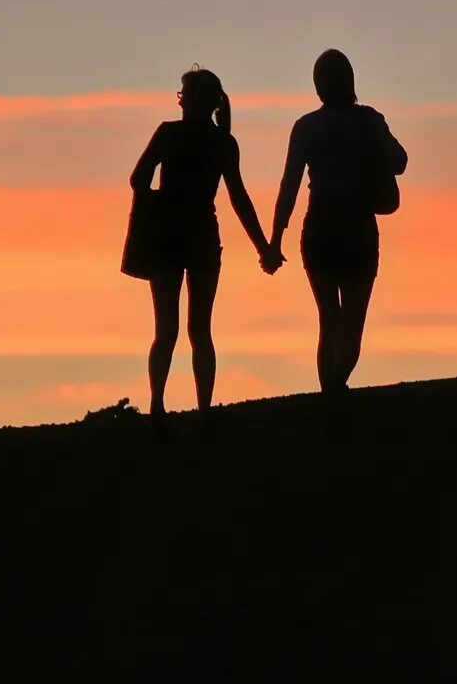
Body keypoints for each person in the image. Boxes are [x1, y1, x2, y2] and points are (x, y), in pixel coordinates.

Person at [127, 68, 276, 420]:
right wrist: (263, 247)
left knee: (166, 330)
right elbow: (238, 197)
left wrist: (153, 204)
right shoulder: (223, 142)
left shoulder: (168, 134)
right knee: (200, 330)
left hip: (166, 237)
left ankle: (157, 406)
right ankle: (204, 410)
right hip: (203, 238)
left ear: (190, 100)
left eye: (184, 94)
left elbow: (137, 179)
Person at [269, 48, 408, 401]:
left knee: (329, 320)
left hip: (319, 230)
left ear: (318, 86)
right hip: (358, 229)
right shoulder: (369, 120)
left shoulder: (305, 127)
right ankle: (335, 393)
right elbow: (400, 161)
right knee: (353, 322)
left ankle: (330, 396)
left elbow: (289, 187)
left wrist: (274, 239)